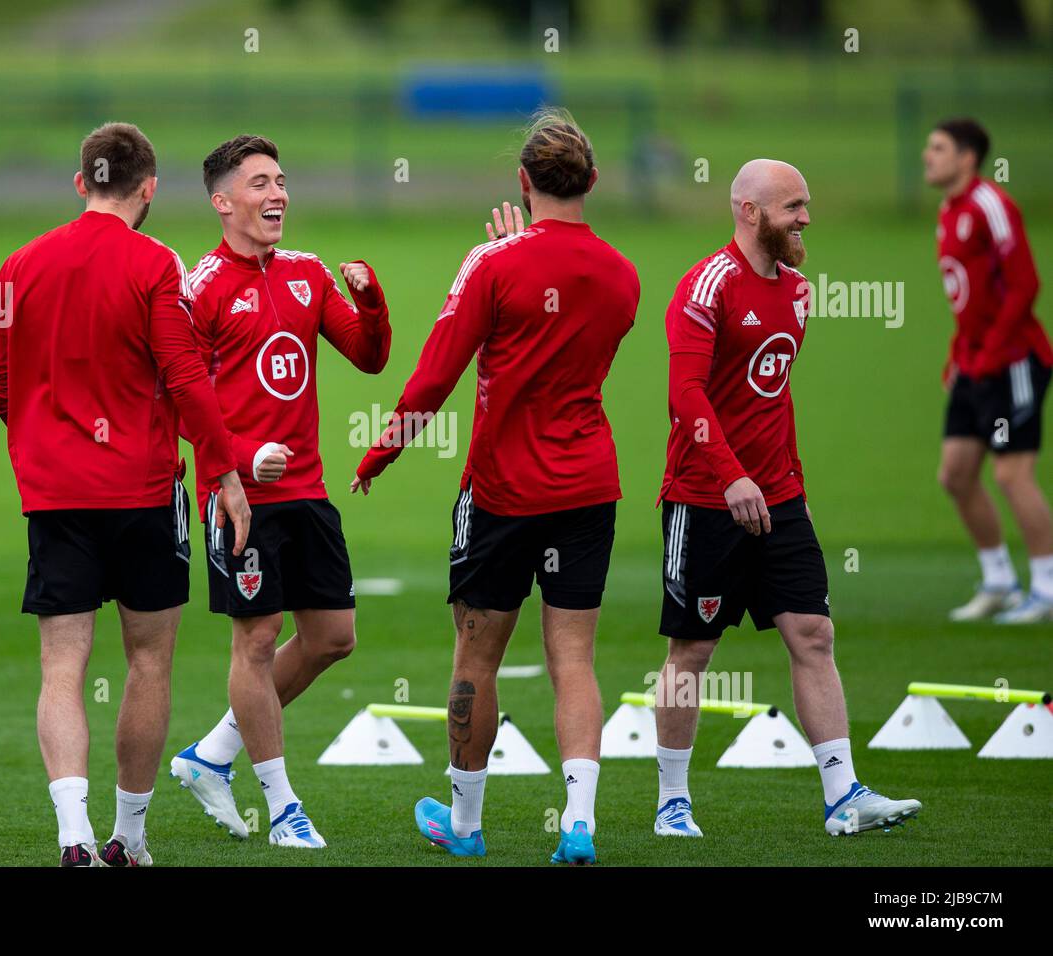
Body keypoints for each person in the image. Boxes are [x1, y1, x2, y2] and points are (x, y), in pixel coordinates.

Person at [353, 109, 639, 864]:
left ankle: (467, 824)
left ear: (522, 180)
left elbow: (434, 378)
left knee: (475, 659)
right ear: (594, 181)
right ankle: (578, 821)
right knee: (573, 658)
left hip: (503, 494)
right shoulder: (622, 274)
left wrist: (381, 451)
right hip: (589, 487)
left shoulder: (493, 266)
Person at [0, 122, 259, 867]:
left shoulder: (17, 266)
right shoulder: (156, 265)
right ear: (149, 189)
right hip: (142, 494)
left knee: (61, 666)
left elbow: (1, 390)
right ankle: (129, 837)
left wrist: (48, 444)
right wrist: (226, 472)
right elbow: (185, 377)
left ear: (81, 183)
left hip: (55, 497)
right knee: (148, 663)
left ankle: (71, 830)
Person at [651, 158, 921, 838]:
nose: (807, 218)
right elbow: (685, 395)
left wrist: (779, 481)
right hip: (706, 498)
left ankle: (843, 797)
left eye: (807, 204)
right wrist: (731, 474)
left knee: (813, 633)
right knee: (693, 651)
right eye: (794, 206)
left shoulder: (799, 292)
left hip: (780, 499)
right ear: (750, 212)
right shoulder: (706, 285)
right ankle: (672, 801)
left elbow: (767, 399)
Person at [168, 135, 391, 849]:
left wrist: (372, 302)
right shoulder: (201, 288)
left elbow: (367, 356)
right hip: (238, 499)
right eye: (260, 184)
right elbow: (179, 400)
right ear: (223, 202)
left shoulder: (305, 273)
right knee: (257, 641)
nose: (278, 195)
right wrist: (235, 459)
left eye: (282, 181)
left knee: (333, 637)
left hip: (307, 492)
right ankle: (283, 805)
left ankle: (211, 755)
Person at [924, 118, 1053, 623]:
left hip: (1014, 361)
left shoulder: (991, 206)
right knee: (956, 474)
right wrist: (960, 353)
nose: (927, 156)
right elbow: (968, 295)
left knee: (1011, 474)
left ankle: (1045, 588)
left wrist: (991, 352)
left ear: (968, 157)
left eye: (938, 148)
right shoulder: (948, 210)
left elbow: (1024, 286)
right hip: (974, 363)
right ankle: (999, 579)